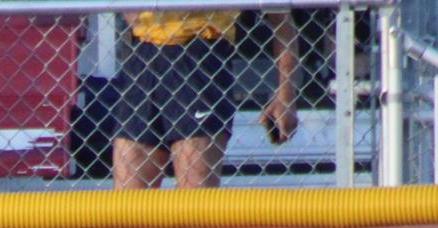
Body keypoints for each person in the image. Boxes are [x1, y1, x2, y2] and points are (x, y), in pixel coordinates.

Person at [112, 8, 300, 189]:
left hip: (200, 55)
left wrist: (286, 92)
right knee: (126, 202)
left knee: (193, 200)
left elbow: (281, 19)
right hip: (143, 54)